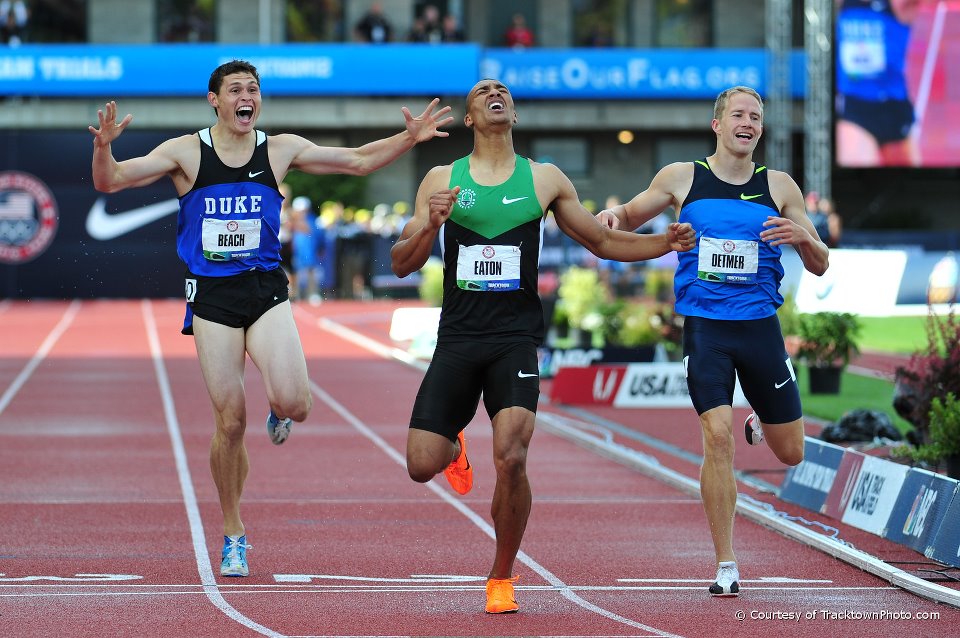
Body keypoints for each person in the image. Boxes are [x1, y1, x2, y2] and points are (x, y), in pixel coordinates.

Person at [88, 59, 453, 578]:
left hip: (264, 290)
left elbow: (358, 161)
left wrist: (409, 137)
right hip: (212, 296)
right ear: (213, 100)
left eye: (253, 90)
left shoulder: (277, 149)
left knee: (296, 403)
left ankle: (279, 411)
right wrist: (103, 147)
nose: (246, 97)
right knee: (229, 421)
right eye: (235, 89)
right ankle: (234, 533)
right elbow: (112, 182)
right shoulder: (186, 152)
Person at [390, 78, 695, 614]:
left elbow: (601, 241)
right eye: (483, 90)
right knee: (420, 464)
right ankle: (454, 445)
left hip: (515, 340)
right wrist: (429, 226)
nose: (495, 93)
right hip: (460, 339)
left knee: (511, 455)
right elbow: (401, 261)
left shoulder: (544, 179)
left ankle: (501, 576)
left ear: (514, 113)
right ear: (469, 118)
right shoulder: (442, 179)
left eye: (502, 89)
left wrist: (661, 243)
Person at [596, 85, 829, 597]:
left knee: (791, 452)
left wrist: (803, 238)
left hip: (760, 328)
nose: (749, 123)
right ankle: (726, 561)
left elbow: (820, 262)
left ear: (760, 130)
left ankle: (762, 419)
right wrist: (609, 220)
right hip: (705, 329)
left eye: (757, 117)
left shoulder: (781, 185)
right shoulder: (683, 177)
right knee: (715, 438)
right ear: (718, 124)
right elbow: (630, 216)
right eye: (739, 115)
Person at [835, 0, 923, 167]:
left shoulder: (898, 5)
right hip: (856, 109)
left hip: (894, 107)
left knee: (913, 184)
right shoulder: (844, 3)